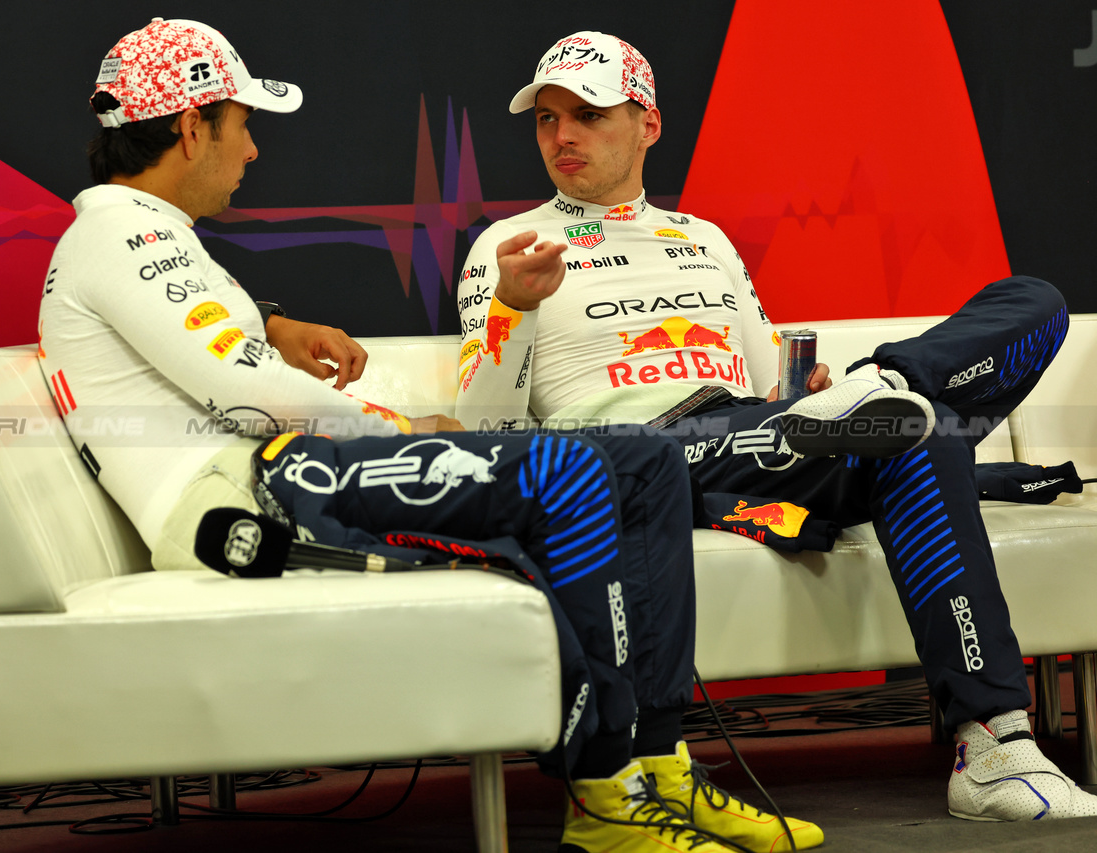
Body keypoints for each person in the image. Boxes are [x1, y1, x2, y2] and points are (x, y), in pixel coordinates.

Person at [36, 18, 822, 853]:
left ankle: (662, 761)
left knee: (648, 459)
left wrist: (270, 320)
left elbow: (206, 346)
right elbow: (244, 388)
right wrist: (401, 425)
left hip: (283, 469)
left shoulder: (138, 235)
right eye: (244, 125)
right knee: (571, 474)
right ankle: (608, 801)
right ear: (193, 128)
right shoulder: (124, 234)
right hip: (251, 500)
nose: (253, 151)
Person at [454, 29, 1097, 824]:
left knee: (1023, 311)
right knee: (894, 433)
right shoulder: (507, 247)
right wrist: (514, 308)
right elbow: (482, 427)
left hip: (762, 433)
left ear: (648, 123)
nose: (562, 136)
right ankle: (879, 410)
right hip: (641, 458)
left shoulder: (705, 240)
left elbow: (767, 385)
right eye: (547, 119)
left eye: (587, 114)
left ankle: (992, 748)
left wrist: (812, 396)